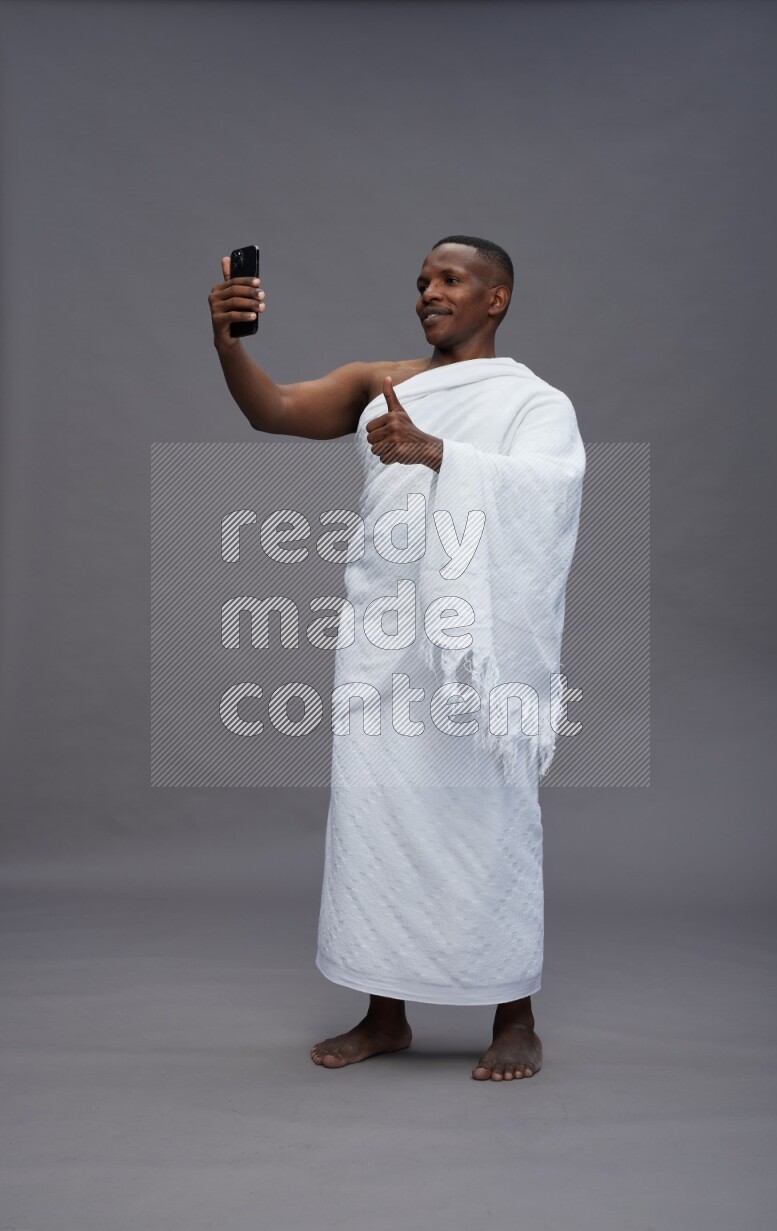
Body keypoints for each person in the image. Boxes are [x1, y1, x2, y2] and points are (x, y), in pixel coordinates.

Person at [208, 236, 585, 1081]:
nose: (428, 292)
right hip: (386, 638)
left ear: (498, 299)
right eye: (421, 280)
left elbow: (550, 490)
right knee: (379, 816)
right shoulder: (379, 381)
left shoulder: (534, 404)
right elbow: (272, 409)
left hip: (476, 652)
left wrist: (440, 453)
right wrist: (229, 343)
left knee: (490, 815)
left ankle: (514, 1013)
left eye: (450, 279)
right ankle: (385, 1012)